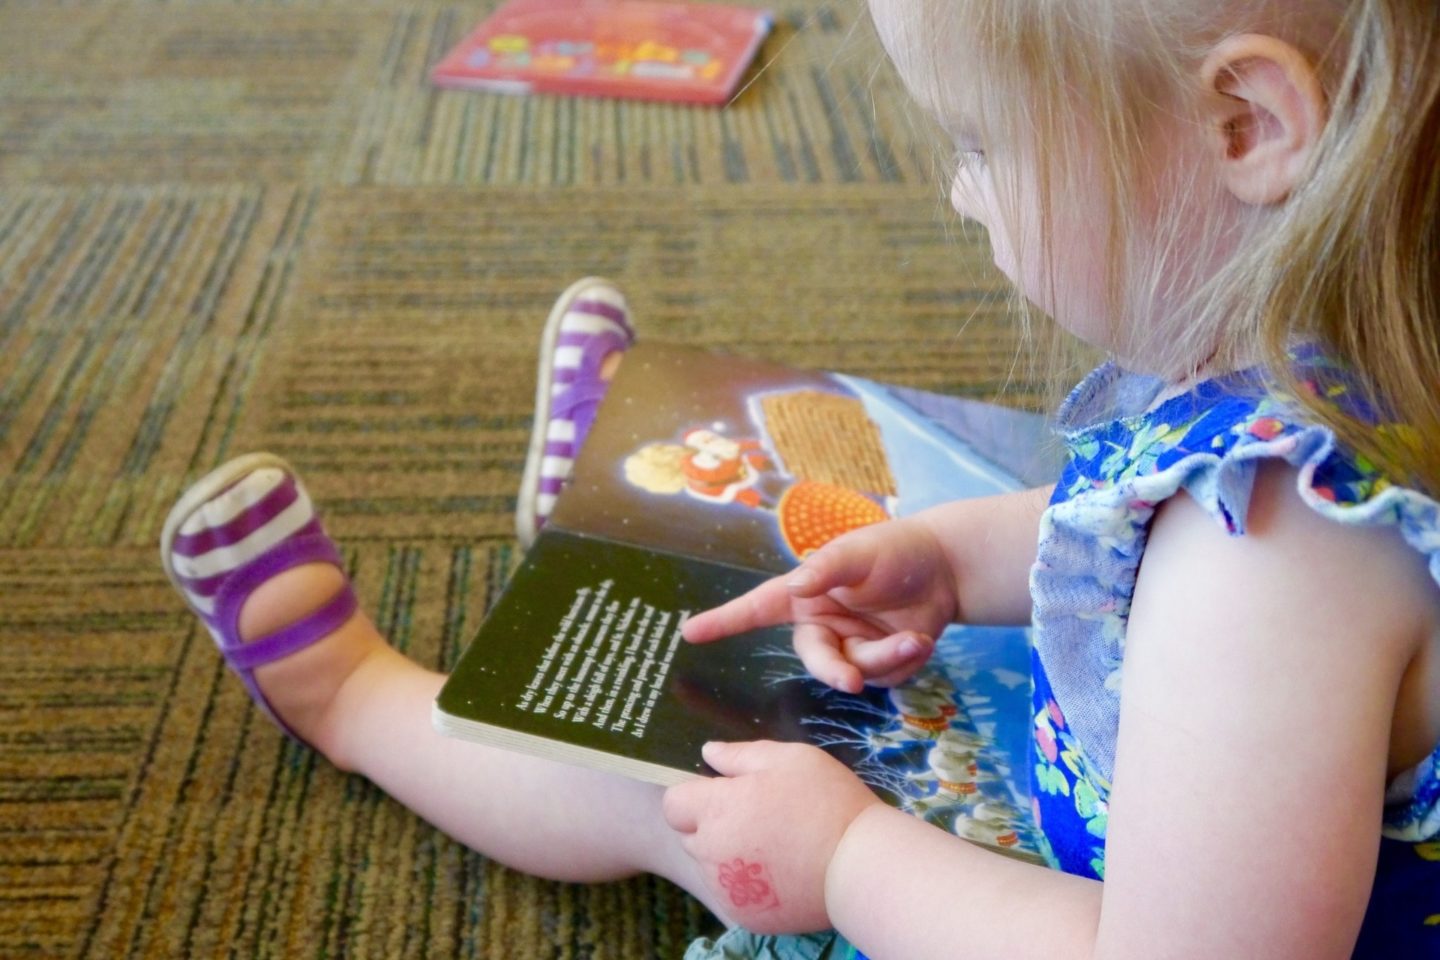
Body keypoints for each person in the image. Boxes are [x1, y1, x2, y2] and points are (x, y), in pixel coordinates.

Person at [158, 1, 1440, 957]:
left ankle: (352, 695)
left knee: (690, 787)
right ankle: (612, 503)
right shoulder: (1339, 367)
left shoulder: (1266, 562)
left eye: (979, 143)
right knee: (863, 492)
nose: (958, 193)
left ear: (1245, 127)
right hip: (1169, 817)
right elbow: (1114, 523)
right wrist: (952, 559)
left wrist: (844, 863)